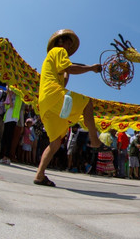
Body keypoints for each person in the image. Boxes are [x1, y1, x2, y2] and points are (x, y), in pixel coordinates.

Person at [34, 29, 103, 187]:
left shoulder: (53, 60)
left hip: (45, 103)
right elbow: (71, 68)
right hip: (53, 95)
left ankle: (39, 175)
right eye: (68, 43)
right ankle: (94, 140)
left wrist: (78, 70)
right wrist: (91, 68)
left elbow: (66, 77)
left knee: (55, 143)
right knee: (87, 103)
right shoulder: (58, 51)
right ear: (59, 42)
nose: (69, 46)